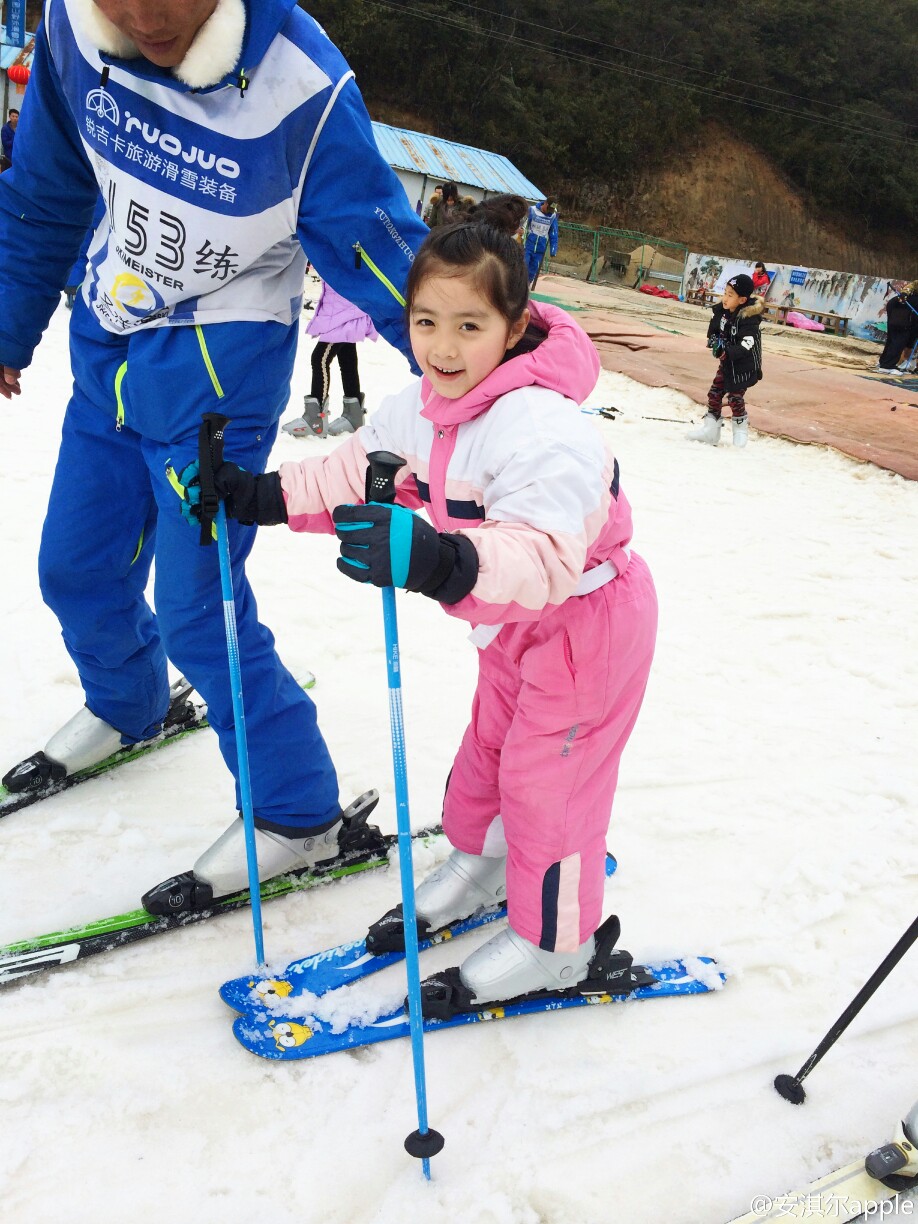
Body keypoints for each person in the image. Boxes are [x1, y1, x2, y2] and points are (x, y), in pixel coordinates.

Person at [0, 0, 429, 914]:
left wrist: (503, 377)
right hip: (109, 348)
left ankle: (296, 812)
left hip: (214, 387)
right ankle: (128, 702)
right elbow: (46, 191)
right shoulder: (72, 30)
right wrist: (7, 323)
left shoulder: (301, 88)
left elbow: (386, 255)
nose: (146, 16)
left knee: (198, 611)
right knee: (74, 569)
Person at [182, 195, 659, 1011]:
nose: (442, 346)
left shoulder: (545, 429)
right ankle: (480, 864)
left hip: (587, 626)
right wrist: (253, 494)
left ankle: (560, 946)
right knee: (486, 759)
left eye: (469, 326)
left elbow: (544, 557)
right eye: (425, 321)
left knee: (553, 786)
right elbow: (346, 475)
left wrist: (439, 559)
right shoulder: (423, 409)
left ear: (514, 330)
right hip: (507, 630)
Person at [281, 280, 379, 438]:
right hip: (343, 304)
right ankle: (353, 416)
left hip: (344, 307)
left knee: (320, 358)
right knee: (347, 356)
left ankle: (315, 419)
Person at [688, 273, 764, 448]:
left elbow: (746, 345)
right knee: (714, 394)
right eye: (725, 293)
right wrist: (715, 342)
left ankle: (740, 431)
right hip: (727, 364)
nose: (725, 298)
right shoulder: (722, 313)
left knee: (735, 397)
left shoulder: (748, 320)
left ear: (742, 299)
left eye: (731, 295)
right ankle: (711, 430)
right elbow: (713, 331)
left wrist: (727, 352)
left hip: (744, 366)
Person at [873, 282, 918, 375]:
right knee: (899, 336)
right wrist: (904, 293)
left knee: (894, 336)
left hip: (900, 305)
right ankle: (887, 366)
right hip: (903, 306)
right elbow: (911, 286)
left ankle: (884, 363)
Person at [524, 198, 558, 286]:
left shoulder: (553, 216)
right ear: (545, 204)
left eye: (552, 210)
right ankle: (518, 285)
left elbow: (553, 233)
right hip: (528, 245)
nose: (549, 212)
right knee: (523, 265)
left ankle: (527, 286)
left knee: (533, 269)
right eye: (549, 209)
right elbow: (524, 224)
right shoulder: (532, 210)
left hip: (540, 247)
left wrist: (553, 250)